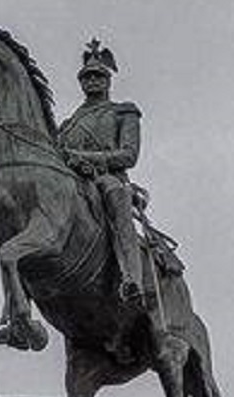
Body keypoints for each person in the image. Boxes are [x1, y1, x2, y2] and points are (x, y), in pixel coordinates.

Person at [57, 40, 144, 305]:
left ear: (108, 81)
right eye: (87, 77)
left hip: (106, 179)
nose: (92, 81)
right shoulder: (68, 124)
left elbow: (129, 156)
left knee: (117, 199)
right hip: (71, 178)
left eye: (98, 76)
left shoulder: (122, 111)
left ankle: (132, 278)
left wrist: (84, 157)